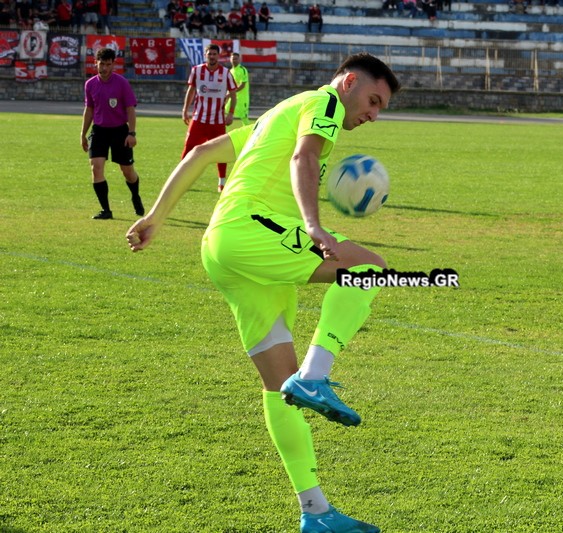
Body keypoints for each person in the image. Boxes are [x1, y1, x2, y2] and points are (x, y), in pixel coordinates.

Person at [126, 52, 400, 533]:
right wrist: (314, 225)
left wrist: (155, 217)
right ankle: (316, 376)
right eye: (374, 100)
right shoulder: (324, 103)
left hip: (222, 249)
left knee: (280, 388)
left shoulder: (277, 114)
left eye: (381, 108)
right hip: (252, 231)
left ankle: (316, 512)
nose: (374, 115)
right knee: (370, 268)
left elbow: (201, 153)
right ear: (349, 82)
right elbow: (304, 157)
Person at [80, 47, 144, 220]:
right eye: (102, 64)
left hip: (120, 131)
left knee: (127, 171)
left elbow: (130, 109)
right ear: (95, 63)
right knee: (96, 167)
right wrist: (83, 134)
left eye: (108, 64)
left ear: (113, 65)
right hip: (99, 131)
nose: (105, 68)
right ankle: (106, 210)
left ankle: (135, 196)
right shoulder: (90, 84)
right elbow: (89, 109)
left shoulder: (122, 83)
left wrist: (132, 133)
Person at [181, 43, 237, 192]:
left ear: (218, 56)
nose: (212, 57)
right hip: (199, 119)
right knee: (188, 148)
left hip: (217, 121)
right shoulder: (196, 70)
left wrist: (231, 113)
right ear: (205, 55)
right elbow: (191, 90)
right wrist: (185, 109)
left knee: (221, 151)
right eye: (209, 54)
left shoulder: (226, 73)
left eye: (214, 54)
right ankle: (180, 180)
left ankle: (222, 182)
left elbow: (233, 94)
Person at [225, 52, 250, 127]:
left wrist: (230, 94)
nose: (234, 60)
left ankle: (250, 131)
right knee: (226, 112)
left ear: (239, 60)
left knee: (244, 117)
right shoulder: (230, 71)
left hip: (242, 98)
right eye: (233, 59)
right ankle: (224, 131)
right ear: (230, 60)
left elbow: (242, 85)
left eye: (236, 59)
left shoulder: (242, 70)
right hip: (232, 97)